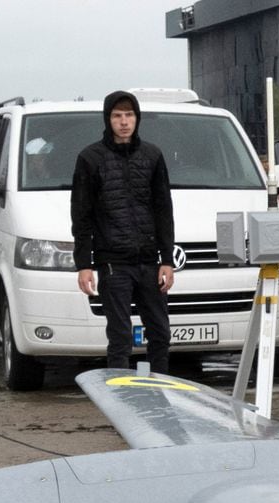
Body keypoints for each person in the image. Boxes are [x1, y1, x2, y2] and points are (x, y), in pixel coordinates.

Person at [71, 90, 176, 373]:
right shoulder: (90, 159)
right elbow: (82, 216)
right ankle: (120, 395)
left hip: (149, 262)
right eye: (117, 116)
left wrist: (167, 259)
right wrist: (84, 265)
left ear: (137, 118)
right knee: (119, 336)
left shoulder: (152, 156)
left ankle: (162, 389)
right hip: (113, 263)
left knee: (160, 333)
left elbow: (163, 209)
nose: (124, 121)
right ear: (108, 119)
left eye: (129, 115)